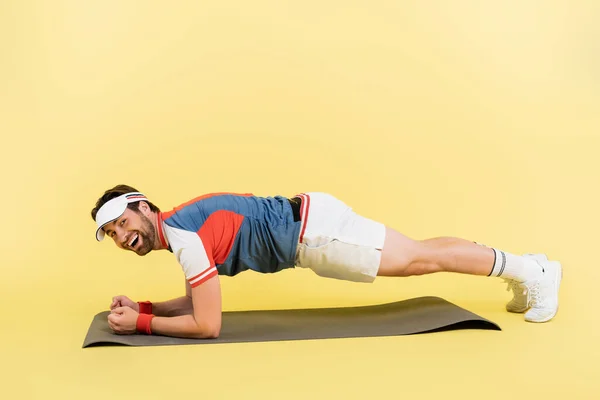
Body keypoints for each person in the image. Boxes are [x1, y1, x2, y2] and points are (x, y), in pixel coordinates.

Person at [91, 184, 562, 339]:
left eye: (122, 222)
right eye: (111, 234)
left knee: (421, 260)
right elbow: (196, 300)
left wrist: (140, 326)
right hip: (313, 220)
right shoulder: (182, 227)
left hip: (316, 236)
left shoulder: (185, 236)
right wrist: (148, 308)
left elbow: (208, 324)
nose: (121, 236)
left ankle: (534, 271)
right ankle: (526, 266)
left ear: (144, 207)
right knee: (422, 253)